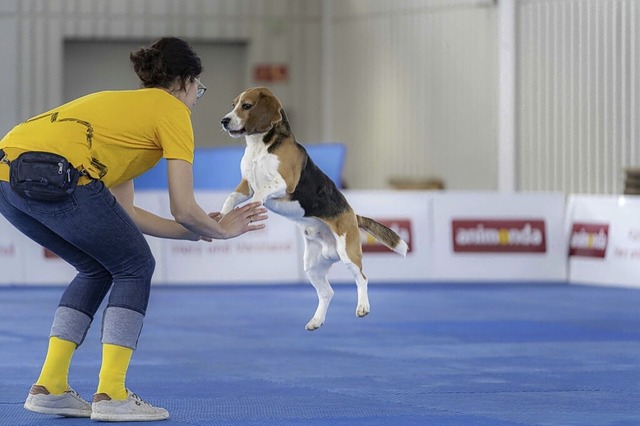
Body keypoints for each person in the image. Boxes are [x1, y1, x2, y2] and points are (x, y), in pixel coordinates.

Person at [0, 36, 267, 422]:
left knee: (99, 266)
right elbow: (183, 206)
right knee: (135, 267)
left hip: (8, 178)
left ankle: (50, 386)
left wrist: (198, 230)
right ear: (186, 82)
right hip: (59, 173)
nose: (196, 99)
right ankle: (112, 393)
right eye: (199, 91)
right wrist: (221, 230)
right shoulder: (171, 110)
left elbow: (123, 217)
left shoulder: (121, 112)